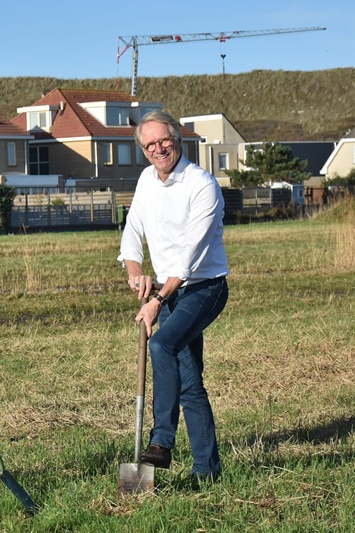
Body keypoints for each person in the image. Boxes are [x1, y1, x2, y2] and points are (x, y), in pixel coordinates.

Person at [117, 110, 229, 484]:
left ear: (177, 139)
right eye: (149, 145)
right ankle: (207, 471)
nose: (157, 149)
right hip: (169, 293)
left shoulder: (202, 185)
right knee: (189, 381)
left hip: (203, 288)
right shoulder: (147, 181)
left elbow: (189, 255)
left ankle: (161, 441)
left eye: (163, 141)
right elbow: (132, 233)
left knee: (162, 344)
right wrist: (136, 275)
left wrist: (158, 300)